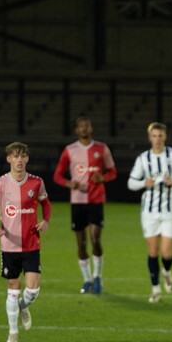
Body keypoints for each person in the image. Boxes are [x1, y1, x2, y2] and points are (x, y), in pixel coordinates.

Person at [0, 141, 52, 342]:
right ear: (9, 159)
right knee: (12, 288)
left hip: (31, 243)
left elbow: (46, 204)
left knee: (33, 290)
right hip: (9, 246)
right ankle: (13, 333)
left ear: (27, 158)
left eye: (23, 156)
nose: (19, 160)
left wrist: (45, 221)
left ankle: (22, 305)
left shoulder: (37, 182)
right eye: (15, 156)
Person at [52, 115, 117, 294]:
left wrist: (102, 177)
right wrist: (69, 183)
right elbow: (57, 175)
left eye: (86, 125)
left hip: (96, 200)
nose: (84, 129)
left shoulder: (102, 148)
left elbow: (113, 172)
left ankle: (98, 277)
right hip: (78, 201)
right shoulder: (69, 150)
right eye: (80, 126)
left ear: (91, 128)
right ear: (76, 130)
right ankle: (87, 279)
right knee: (81, 244)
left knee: (95, 239)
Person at [127, 122, 172, 303]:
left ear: (165, 137)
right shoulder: (143, 159)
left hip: (170, 211)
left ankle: (167, 272)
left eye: (160, 136)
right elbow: (131, 183)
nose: (157, 139)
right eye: (154, 136)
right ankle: (155, 289)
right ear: (149, 137)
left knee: (167, 253)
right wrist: (143, 183)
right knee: (153, 250)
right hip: (149, 211)